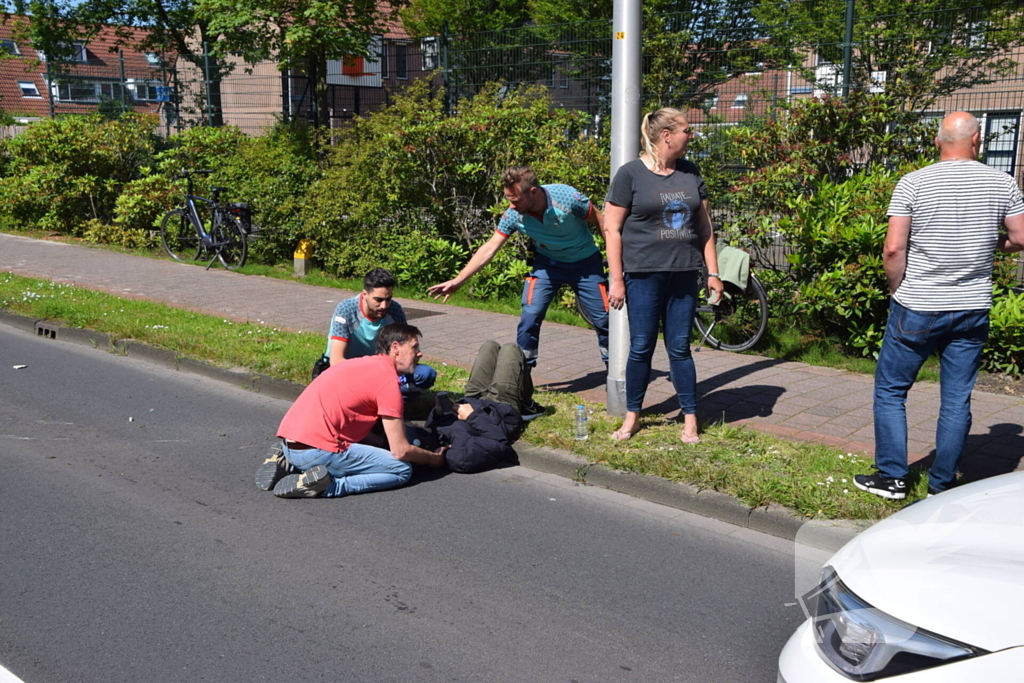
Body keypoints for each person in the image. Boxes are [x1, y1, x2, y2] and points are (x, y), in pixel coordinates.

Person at [855, 111, 1024, 500]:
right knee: (956, 398)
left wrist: (898, 289)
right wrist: (990, 245)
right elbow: (1018, 238)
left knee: (892, 391)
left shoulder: (914, 182)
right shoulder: (1002, 183)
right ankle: (942, 486)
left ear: (937, 141)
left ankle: (892, 478)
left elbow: (894, 247)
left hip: (918, 303)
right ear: (977, 140)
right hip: (972, 306)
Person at [427, 166, 609, 412]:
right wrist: (458, 280)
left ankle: (616, 374)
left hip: (586, 263)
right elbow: (490, 248)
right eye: (508, 200)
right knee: (530, 316)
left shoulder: (566, 198)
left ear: (533, 192)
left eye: (515, 199)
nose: (511, 206)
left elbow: (601, 220)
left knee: (605, 318)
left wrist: (618, 262)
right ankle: (521, 381)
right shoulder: (514, 215)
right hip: (547, 265)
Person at [603, 107, 724, 444]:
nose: (691, 135)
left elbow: (705, 227)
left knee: (680, 349)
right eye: (687, 130)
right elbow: (611, 228)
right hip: (642, 274)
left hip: (684, 272)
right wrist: (616, 279)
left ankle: (689, 420)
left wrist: (713, 272)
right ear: (666, 135)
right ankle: (632, 418)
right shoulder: (630, 175)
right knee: (641, 346)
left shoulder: (690, 172)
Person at [259, 323, 448, 498]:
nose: (419, 353)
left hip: (290, 439)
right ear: (396, 348)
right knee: (401, 469)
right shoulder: (388, 382)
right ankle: (329, 486)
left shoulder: (357, 364)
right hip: (316, 450)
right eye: (414, 347)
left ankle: (289, 463)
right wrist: (433, 459)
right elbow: (401, 451)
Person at [320, 268, 436, 395]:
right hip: (351, 371)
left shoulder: (394, 309)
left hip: (382, 371)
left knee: (426, 374)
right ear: (365, 294)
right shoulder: (346, 309)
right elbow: (336, 361)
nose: (384, 306)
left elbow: (405, 349)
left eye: (388, 299)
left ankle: (382, 398)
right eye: (378, 300)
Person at [426, 341, 527, 474]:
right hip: (500, 407)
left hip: (472, 399)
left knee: (489, 346)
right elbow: (499, 442)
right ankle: (527, 402)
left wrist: (439, 412)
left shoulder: (429, 439)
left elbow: (431, 426)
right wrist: (472, 416)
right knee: (510, 350)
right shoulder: (460, 459)